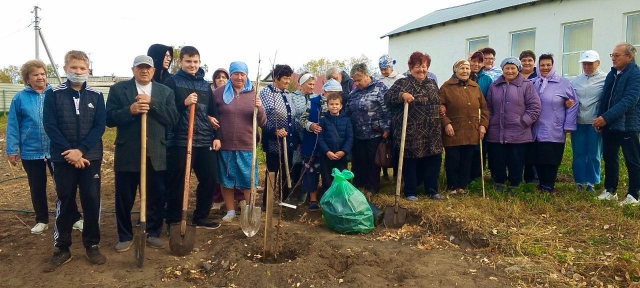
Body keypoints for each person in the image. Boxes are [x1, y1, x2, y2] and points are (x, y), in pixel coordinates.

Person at [42, 50, 107, 271]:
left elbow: (99, 126)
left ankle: (92, 244)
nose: (78, 72)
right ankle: (62, 247)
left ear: (88, 70)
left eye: (82, 68)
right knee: (65, 199)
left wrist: (81, 151)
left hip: (91, 156)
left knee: (91, 199)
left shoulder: (97, 96)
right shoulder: (53, 94)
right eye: (73, 68)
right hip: (62, 158)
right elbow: (50, 125)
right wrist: (69, 152)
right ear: (65, 69)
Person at [107, 55, 179, 251]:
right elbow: (109, 118)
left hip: (155, 153)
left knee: (156, 196)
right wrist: (130, 110)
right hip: (128, 152)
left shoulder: (164, 92)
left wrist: (152, 103)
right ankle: (124, 235)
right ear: (133, 70)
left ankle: (153, 232)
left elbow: (173, 117)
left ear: (153, 71)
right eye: (140, 67)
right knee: (124, 197)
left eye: (148, 67)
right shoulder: (118, 90)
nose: (144, 70)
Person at [6, 59, 83, 234]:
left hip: (56, 149)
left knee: (64, 185)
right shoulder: (20, 98)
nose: (40, 77)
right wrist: (12, 149)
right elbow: (13, 125)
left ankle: (74, 217)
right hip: (30, 151)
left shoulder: (56, 93)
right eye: (35, 74)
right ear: (27, 78)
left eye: (42, 74)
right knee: (37, 185)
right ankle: (41, 219)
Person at [164, 46, 221, 229]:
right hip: (180, 139)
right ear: (180, 62)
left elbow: (213, 112)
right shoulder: (172, 82)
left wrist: (216, 135)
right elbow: (167, 111)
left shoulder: (205, 85)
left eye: (195, 61)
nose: (192, 65)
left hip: (204, 139)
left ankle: (200, 216)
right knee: (179, 181)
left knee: (210, 178)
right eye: (188, 61)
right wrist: (184, 103)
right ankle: (173, 218)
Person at [384, 52, 443, 200]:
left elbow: (437, 100)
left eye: (424, 66)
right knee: (410, 161)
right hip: (411, 131)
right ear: (411, 67)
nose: (421, 70)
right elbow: (388, 98)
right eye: (418, 66)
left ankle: (432, 190)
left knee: (433, 159)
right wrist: (402, 96)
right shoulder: (402, 82)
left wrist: (441, 108)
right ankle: (410, 191)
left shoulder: (431, 83)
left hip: (432, 130)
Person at [212, 61, 266, 222]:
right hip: (225, 144)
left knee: (248, 181)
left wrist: (260, 107)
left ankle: (248, 211)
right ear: (231, 75)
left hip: (247, 145)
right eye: (236, 74)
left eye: (242, 74)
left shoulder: (253, 93)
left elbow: (262, 122)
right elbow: (211, 112)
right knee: (226, 179)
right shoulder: (219, 93)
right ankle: (230, 211)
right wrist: (210, 120)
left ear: (246, 75)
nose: (239, 77)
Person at [486, 57, 541, 193]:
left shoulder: (526, 85)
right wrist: (492, 122)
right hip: (496, 131)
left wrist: (523, 122)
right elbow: (488, 107)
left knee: (516, 159)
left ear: (518, 69)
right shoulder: (494, 85)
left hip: (518, 131)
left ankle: (514, 183)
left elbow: (535, 107)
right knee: (497, 158)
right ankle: (499, 181)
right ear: (502, 69)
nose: (510, 71)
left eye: (513, 68)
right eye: (507, 68)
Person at [594, 43, 640, 206]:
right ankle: (610, 190)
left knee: (632, 160)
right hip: (610, 125)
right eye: (612, 55)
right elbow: (605, 98)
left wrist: (605, 118)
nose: (613, 58)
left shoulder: (635, 74)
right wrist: (600, 117)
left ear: (629, 57)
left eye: (617, 55)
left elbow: (629, 101)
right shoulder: (612, 74)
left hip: (628, 125)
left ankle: (633, 195)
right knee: (610, 157)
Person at [529, 54, 578, 193]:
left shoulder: (563, 83)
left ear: (553, 66)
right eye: (542, 65)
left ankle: (549, 185)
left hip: (554, 127)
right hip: (536, 128)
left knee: (551, 158)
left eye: (548, 65)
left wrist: (569, 125)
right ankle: (541, 184)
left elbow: (573, 104)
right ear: (538, 67)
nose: (545, 67)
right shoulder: (533, 83)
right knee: (537, 156)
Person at [439, 59, 489, 196]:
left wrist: (483, 125)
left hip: (471, 130)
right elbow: (438, 108)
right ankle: (452, 186)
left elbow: (484, 109)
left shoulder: (475, 87)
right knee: (453, 159)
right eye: (462, 68)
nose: (465, 71)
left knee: (467, 159)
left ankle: (462, 185)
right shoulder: (446, 87)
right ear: (455, 70)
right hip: (453, 130)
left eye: (467, 68)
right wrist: (446, 123)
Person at [346, 63, 390, 195]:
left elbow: (387, 110)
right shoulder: (354, 93)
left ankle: (372, 187)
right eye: (354, 81)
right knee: (359, 161)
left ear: (367, 76)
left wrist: (387, 128)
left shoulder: (380, 88)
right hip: (357, 133)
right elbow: (348, 110)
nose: (356, 83)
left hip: (375, 133)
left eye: (359, 80)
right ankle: (359, 185)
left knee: (372, 161)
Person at [259, 64, 296, 203]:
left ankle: (285, 201)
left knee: (287, 172)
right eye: (285, 78)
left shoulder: (288, 94)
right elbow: (261, 118)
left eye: (289, 78)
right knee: (272, 171)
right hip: (272, 141)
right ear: (276, 78)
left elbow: (292, 117)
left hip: (288, 141)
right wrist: (274, 130)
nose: (287, 81)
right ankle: (267, 202)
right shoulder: (266, 93)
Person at [571, 50, 606, 192]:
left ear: (598, 63)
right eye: (584, 63)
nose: (587, 66)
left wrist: (603, 119)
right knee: (578, 153)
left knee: (594, 153)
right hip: (579, 122)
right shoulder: (576, 80)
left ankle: (592, 182)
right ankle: (579, 181)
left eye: (590, 63)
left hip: (595, 123)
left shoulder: (605, 78)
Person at [210, 67, 244, 211]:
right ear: (214, 81)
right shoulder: (213, 95)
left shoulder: (236, 94)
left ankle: (240, 198)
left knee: (239, 170)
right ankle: (218, 199)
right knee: (220, 171)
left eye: (224, 77)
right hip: (217, 138)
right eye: (218, 78)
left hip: (237, 139)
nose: (221, 80)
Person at [317, 80, 353, 199]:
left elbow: (349, 137)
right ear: (327, 106)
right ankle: (327, 202)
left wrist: (343, 151)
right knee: (327, 180)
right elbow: (320, 138)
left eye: (337, 104)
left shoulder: (346, 120)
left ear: (341, 106)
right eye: (331, 104)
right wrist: (327, 152)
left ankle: (341, 201)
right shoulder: (323, 121)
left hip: (341, 157)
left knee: (341, 181)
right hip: (327, 157)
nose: (334, 106)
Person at [378, 54, 405, 180]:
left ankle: (395, 172)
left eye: (386, 69)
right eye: (382, 69)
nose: (384, 72)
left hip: (397, 114)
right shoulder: (378, 80)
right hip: (383, 115)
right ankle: (384, 171)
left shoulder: (400, 78)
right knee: (384, 143)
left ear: (391, 67)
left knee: (395, 144)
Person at [468, 51, 493, 182]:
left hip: (480, 116)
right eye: (474, 61)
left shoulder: (487, 79)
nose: (476, 64)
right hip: (465, 117)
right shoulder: (462, 75)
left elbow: (489, 101)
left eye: (479, 61)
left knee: (479, 146)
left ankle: (477, 177)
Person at [291, 71, 317, 196]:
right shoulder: (293, 97)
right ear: (302, 84)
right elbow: (292, 119)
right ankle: (294, 191)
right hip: (297, 137)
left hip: (311, 137)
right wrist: (297, 141)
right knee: (296, 165)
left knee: (309, 166)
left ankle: (307, 193)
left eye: (313, 84)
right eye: (309, 84)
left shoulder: (316, 97)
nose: (312, 87)